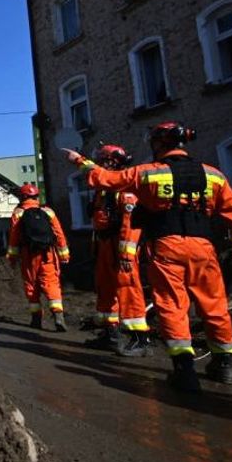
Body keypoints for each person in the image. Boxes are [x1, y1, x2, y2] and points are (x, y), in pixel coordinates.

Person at [64, 121, 232, 391]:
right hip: (203, 248)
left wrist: (79, 160)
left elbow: (104, 179)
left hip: (167, 248)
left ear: (159, 144)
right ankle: (224, 365)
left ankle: (185, 371)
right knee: (215, 305)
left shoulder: (148, 173)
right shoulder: (214, 176)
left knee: (173, 306)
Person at [86, 145, 151, 356]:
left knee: (128, 289)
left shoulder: (125, 186)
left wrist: (126, 254)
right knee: (105, 288)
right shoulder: (105, 188)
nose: (99, 164)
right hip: (106, 244)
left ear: (112, 161)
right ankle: (110, 334)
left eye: (103, 160)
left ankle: (140, 338)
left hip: (121, 246)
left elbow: (130, 224)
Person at [6, 183, 70, 331]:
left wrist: (12, 257)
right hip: (48, 253)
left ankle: (36, 319)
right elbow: (59, 233)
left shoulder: (18, 213)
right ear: (36, 196)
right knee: (51, 284)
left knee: (31, 285)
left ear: (22, 197)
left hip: (29, 254)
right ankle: (58, 316)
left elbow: (14, 238)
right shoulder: (48, 211)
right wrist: (64, 254)